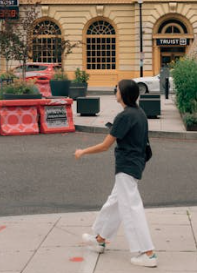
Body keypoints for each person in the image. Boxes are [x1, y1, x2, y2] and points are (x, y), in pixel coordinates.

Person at [75, 79, 157, 268]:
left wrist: (83, 151)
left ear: (123, 94)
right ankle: (100, 239)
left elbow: (105, 145)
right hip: (135, 165)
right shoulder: (139, 112)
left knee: (131, 209)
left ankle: (148, 253)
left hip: (127, 166)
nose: (115, 91)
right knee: (115, 202)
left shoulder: (124, 116)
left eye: (117, 89)